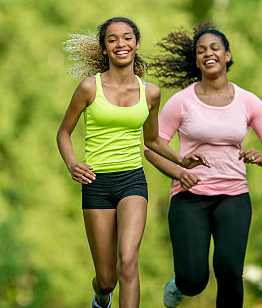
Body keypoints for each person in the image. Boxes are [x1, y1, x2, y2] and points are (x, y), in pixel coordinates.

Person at [56, 17, 209, 308]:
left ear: (136, 44)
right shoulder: (89, 88)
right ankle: (101, 299)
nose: (120, 44)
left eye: (127, 38)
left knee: (128, 261)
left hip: (132, 182)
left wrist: (180, 159)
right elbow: (63, 133)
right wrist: (72, 164)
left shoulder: (150, 92)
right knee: (106, 279)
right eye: (112, 39)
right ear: (104, 49)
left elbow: (151, 140)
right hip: (96, 183)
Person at [144, 22, 262, 308]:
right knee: (194, 279)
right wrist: (179, 172)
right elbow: (152, 147)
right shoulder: (181, 102)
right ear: (196, 60)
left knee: (230, 271)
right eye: (201, 50)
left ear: (228, 55)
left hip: (234, 196)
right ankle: (181, 284)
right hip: (190, 198)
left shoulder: (248, 101)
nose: (208, 53)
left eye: (214, 48)